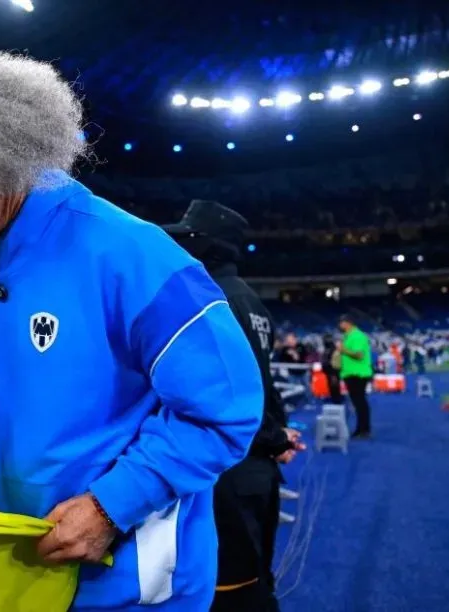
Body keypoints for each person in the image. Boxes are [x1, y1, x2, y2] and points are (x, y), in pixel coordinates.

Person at [0, 48, 263, 610]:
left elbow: (224, 409)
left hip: (138, 584)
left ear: (10, 153)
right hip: (29, 573)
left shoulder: (135, 256)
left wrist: (112, 506)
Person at [165, 200, 305, 612]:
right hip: (257, 466)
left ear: (208, 247)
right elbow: (262, 384)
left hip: (228, 468)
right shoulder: (251, 300)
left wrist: (273, 435)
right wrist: (277, 436)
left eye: (190, 240)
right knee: (256, 577)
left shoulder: (211, 300)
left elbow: (222, 398)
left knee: (232, 591)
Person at [338, 315, 374, 438]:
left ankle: (364, 429)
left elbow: (359, 355)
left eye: (341, 322)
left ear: (348, 323)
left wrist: (344, 350)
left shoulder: (357, 336)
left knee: (360, 402)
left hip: (358, 374)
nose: (340, 325)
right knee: (358, 403)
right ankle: (361, 428)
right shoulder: (348, 336)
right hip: (351, 373)